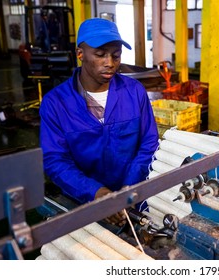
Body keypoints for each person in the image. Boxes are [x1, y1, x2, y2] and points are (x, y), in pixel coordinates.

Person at [39, 18, 159, 225]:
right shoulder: (55, 103)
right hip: (83, 202)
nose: (110, 63)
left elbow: (149, 143)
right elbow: (55, 160)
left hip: (133, 197)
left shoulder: (134, 91)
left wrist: (129, 187)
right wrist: (95, 192)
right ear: (80, 54)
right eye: (100, 54)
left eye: (116, 55)